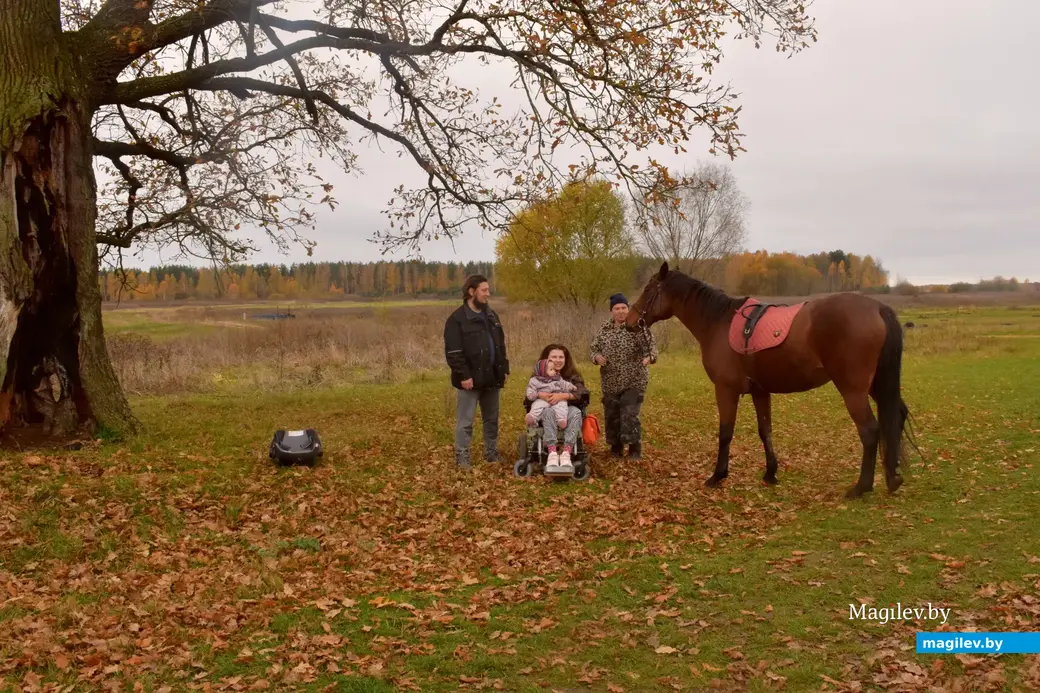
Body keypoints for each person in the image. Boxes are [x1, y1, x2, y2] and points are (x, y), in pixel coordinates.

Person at [444, 274, 509, 468]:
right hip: (470, 380)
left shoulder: (491, 315)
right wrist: (464, 375)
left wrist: (504, 368)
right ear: (471, 291)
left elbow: (500, 345)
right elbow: (453, 352)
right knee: (465, 422)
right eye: (484, 290)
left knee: (491, 420)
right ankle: (462, 457)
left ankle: (491, 453)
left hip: (492, 377)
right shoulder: (457, 320)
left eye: (488, 290)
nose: (488, 294)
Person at [589, 292, 657, 460]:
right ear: (611, 311)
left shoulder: (638, 326)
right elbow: (593, 349)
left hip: (634, 379)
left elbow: (651, 349)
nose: (621, 311)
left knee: (629, 414)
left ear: (628, 309)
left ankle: (634, 450)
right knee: (612, 416)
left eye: (624, 308)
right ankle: (616, 449)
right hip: (610, 381)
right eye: (617, 308)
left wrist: (649, 358)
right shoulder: (605, 329)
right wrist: (597, 357)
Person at [524, 344, 589, 474]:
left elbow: (583, 394)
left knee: (575, 412)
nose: (558, 360)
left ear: (566, 359)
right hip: (546, 412)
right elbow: (528, 398)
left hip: (568, 412)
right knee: (548, 411)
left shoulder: (573, 376)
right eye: (554, 357)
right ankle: (552, 453)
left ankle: (566, 452)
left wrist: (563, 396)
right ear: (546, 359)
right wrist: (539, 395)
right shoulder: (538, 377)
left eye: (561, 357)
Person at [524, 359, 577, 429]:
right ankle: (533, 417)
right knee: (537, 406)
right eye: (551, 369)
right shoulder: (535, 381)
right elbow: (530, 392)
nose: (554, 371)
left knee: (562, 405)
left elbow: (564, 384)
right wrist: (537, 394)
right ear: (542, 372)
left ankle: (561, 420)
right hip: (543, 399)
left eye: (554, 369)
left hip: (557, 399)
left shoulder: (557, 379)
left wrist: (570, 386)